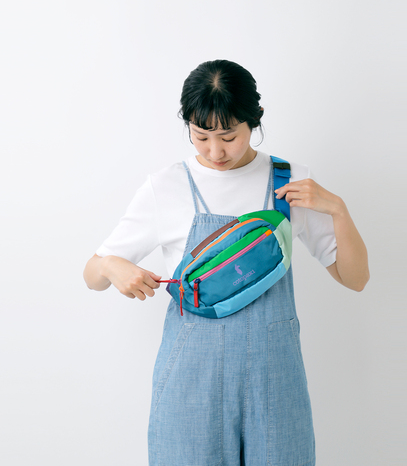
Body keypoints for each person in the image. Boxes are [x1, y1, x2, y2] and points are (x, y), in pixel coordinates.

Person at [83, 59, 369, 466]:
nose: (215, 151)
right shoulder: (166, 187)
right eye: (200, 136)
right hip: (191, 384)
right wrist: (112, 266)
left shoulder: (288, 182)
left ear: (256, 119)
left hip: (275, 385)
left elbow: (355, 279)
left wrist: (338, 209)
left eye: (229, 136)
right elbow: (92, 275)